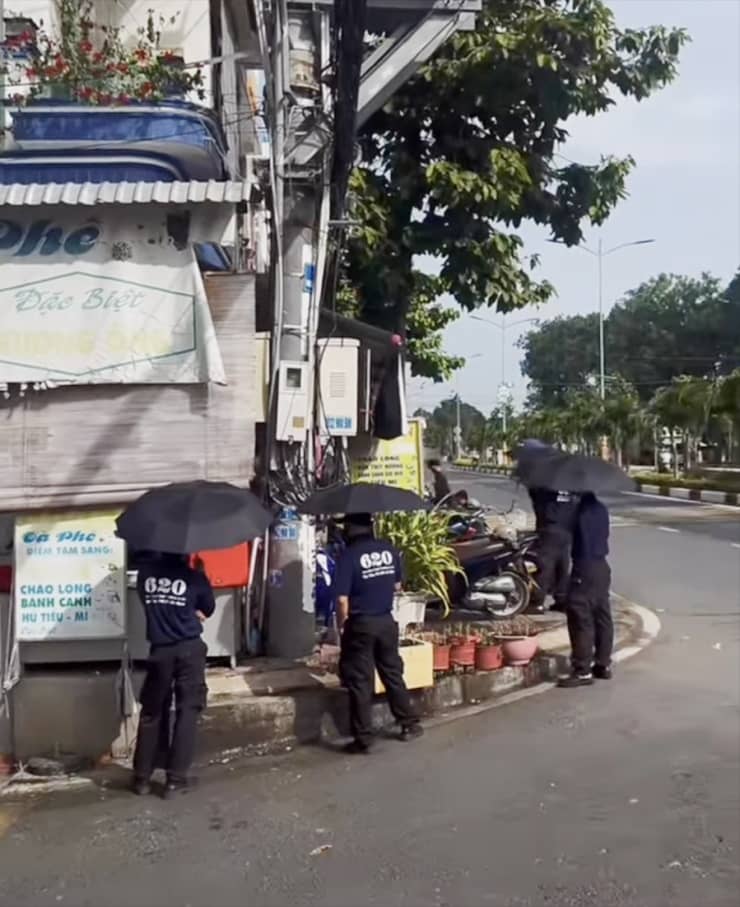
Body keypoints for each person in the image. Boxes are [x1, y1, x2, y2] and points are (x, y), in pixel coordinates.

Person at [334, 513, 423, 753]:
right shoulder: (388, 550)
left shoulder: (348, 557)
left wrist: (343, 625)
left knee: (360, 681)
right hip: (385, 622)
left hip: (361, 623)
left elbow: (342, 600)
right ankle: (409, 724)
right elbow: (397, 585)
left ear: (350, 529)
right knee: (392, 673)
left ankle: (364, 737)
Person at [132, 552, 215, 797]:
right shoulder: (193, 577)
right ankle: (175, 779)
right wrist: (200, 575)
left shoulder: (145, 576)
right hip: (189, 649)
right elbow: (207, 607)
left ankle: (142, 778)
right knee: (187, 710)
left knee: (152, 712)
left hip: (159, 650)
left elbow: (149, 603)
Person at [558, 492, 613, 688]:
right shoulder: (601, 509)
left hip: (584, 567)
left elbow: (564, 533)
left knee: (580, 615)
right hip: (602, 567)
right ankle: (603, 664)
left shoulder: (578, 512)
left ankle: (582, 670)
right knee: (602, 615)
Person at [529, 487, 579, 613]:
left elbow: (535, 494)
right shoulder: (573, 485)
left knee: (544, 566)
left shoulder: (547, 484)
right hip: (566, 529)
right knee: (562, 564)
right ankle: (562, 600)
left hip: (549, 528)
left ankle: (537, 602)